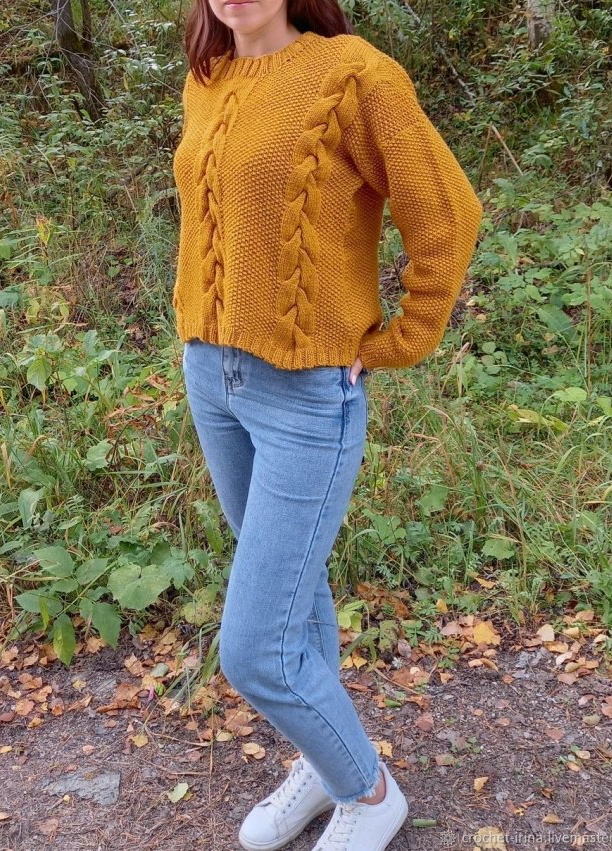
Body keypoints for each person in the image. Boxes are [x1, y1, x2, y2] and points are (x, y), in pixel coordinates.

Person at [171, 0, 483, 847]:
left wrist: (400, 339)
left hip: (306, 394)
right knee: (295, 601)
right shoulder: (208, 76)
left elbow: (447, 214)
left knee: (254, 648)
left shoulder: (353, 75)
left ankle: (369, 792)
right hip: (213, 377)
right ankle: (321, 760)